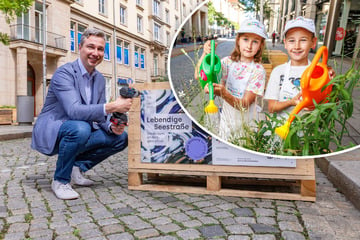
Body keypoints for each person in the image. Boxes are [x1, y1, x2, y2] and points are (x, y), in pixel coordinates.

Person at [31, 28, 133, 200]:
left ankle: (77, 168)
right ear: (80, 47)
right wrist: (113, 106)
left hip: (79, 129)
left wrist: (111, 126)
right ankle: (60, 181)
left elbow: (98, 114)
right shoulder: (65, 73)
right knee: (81, 128)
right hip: (55, 128)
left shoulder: (99, 79)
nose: (95, 53)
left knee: (121, 138)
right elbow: (74, 110)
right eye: (90, 47)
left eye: (100, 49)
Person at [194, 18, 267, 140]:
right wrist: (205, 54)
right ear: (238, 40)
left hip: (247, 127)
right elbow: (199, 75)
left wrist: (223, 93)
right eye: (245, 39)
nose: (249, 46)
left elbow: (244, 105)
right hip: (226, 123)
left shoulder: (258, 71)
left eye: (255, 42)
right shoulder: (228, 62)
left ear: (261, 45)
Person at [264, 17, 318, 119]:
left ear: (313, 42)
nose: (297, 46)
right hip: (278, 130)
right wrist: (291, 102)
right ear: (285, 43)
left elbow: (328, 106)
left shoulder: (319, 72)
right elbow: (271, 107)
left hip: (307, 132)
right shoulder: (278, 72)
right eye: (291, 40)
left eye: (303, 40)